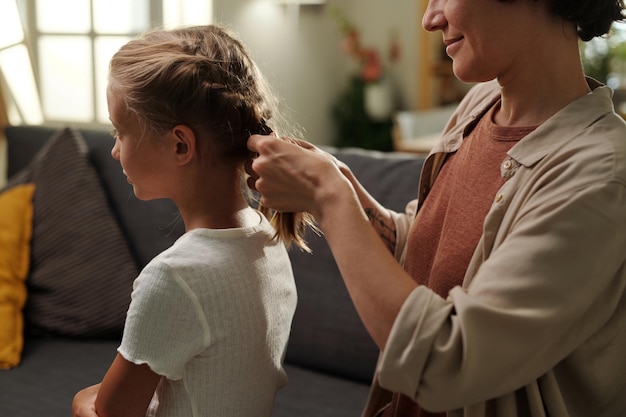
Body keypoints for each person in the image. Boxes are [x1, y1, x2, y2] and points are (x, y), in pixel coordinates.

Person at [246, 0, 626, 415]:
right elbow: (427, 251)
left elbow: (451, 362)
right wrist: (337, 182)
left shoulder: (600, 172)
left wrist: (330, 197)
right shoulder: (478, 108)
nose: (430, 19)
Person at [72, 25, 314, 417]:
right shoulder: (268, 239)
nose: (114, 151)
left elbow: (106, 413)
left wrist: (80, 401)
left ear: (180, 145)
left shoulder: (173, 278)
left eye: (120, 132)